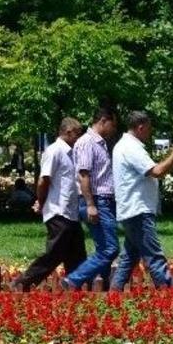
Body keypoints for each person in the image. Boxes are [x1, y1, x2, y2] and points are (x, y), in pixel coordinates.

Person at [110, 111, 173, 290]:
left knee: (129, 257)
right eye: (149, 129)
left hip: (132, 209)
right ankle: (171, 293)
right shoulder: (131, 147)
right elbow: (156, 171)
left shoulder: (125, 145)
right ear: (141, 127)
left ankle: (114, 292)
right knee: (154, 255)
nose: (150, 133)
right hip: (138, 209)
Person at [11, 118, 86, 292]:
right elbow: (43, 180)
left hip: (71, 212)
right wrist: (42, 201)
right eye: (77, 133)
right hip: (58, 211)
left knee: (76, 253)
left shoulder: (71, 153)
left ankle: (76, 288)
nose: (79, 138)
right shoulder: (54, 151)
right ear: (68, 132)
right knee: (55, 253)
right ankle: (22, 283)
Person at [62, 106, 120, 290]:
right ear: (103, 121)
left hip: (102, 200)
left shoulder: (100, 143)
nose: (114, 129)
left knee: (104, 248)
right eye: (113, 125)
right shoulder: (87, 142)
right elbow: (83, 175)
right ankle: (73, 280)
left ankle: (101, 284)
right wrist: (90, 205)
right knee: (110, 248)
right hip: (96, 200)